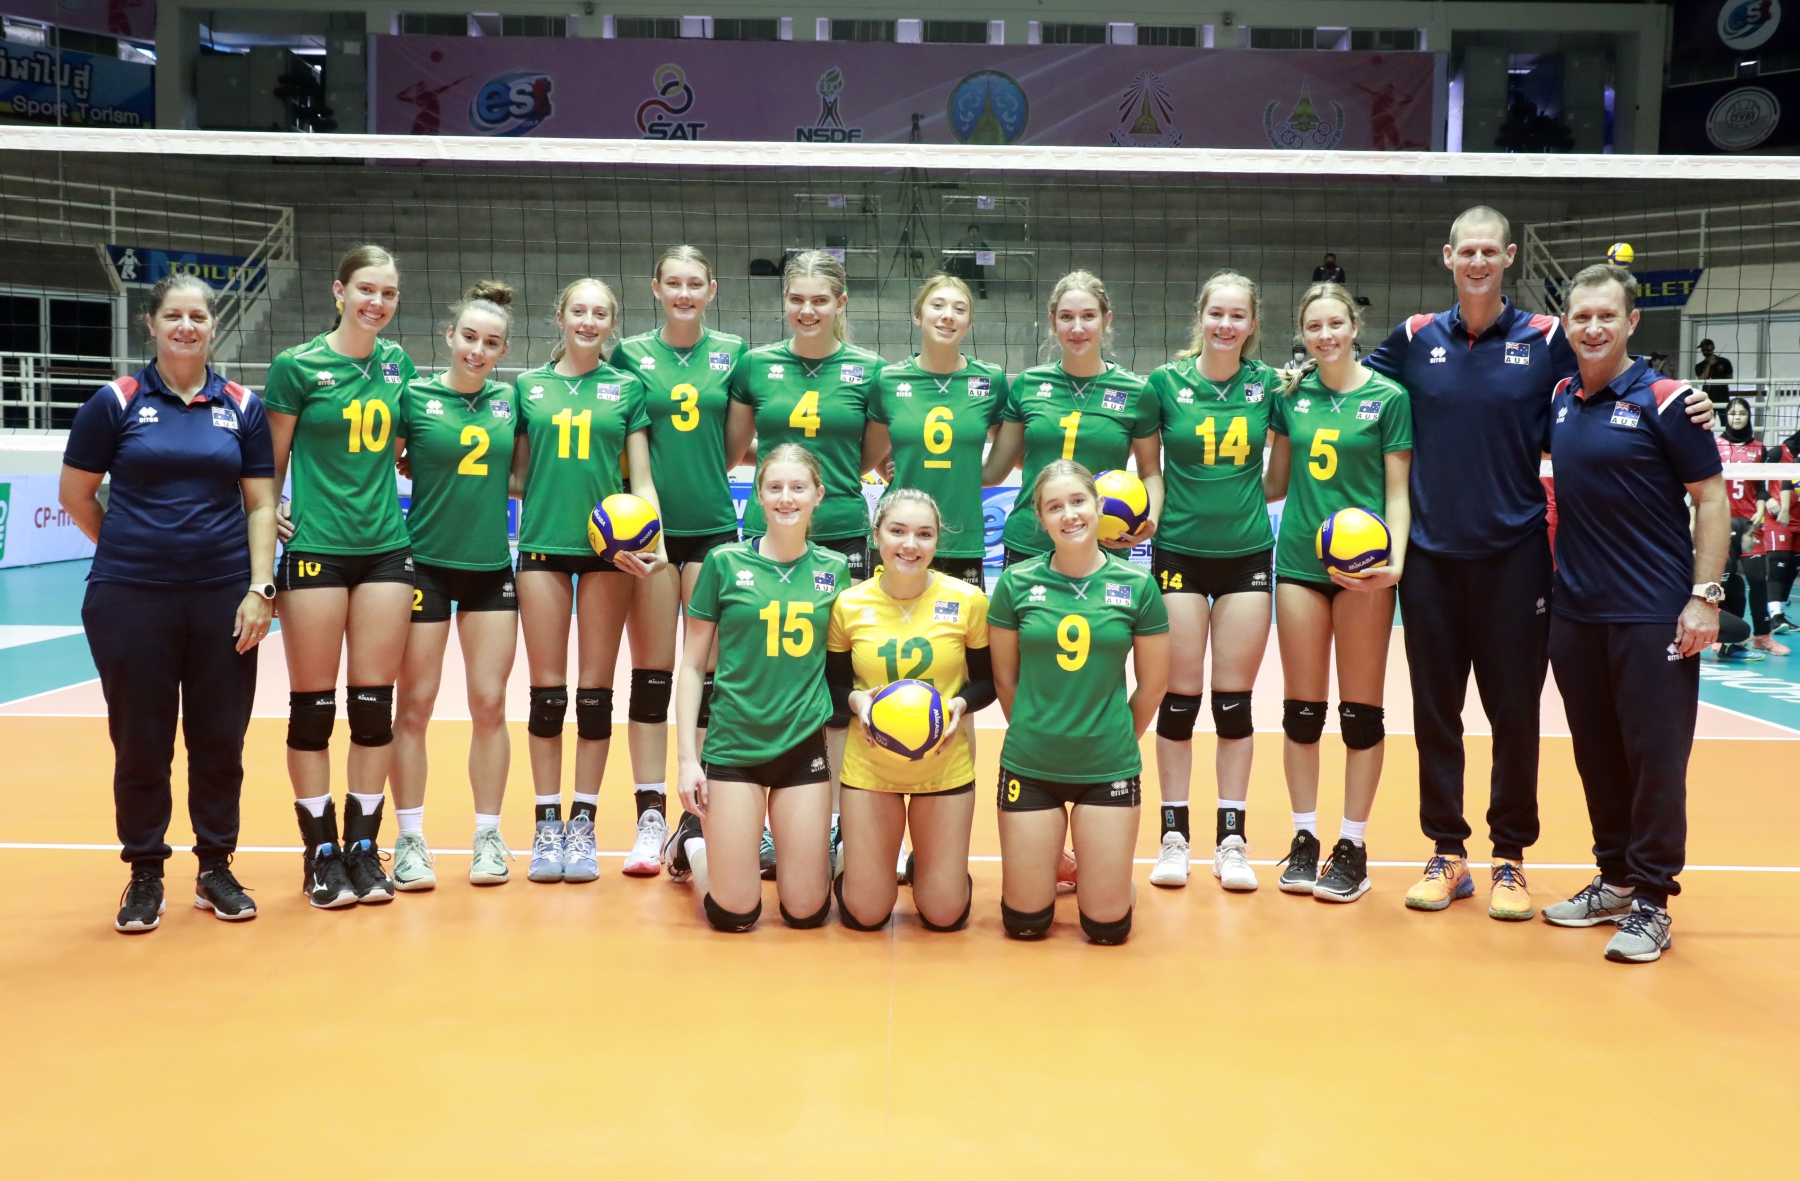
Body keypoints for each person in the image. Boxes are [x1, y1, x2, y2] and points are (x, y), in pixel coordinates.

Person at [1366, 205, 1713, 919]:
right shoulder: (1415, 336)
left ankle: (1510, 858)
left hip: (1517, 558)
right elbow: (1352, 389)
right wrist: (1295, 383)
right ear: (1448, 257)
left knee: (1515, 715)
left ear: (1510, 257)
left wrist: (1691, 398)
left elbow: (1610, 372)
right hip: (1429, 557)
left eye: (1490, 251)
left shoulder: (1548, 338)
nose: (1478, 262)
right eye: (1467, 251)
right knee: (1435, 713)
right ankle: (1447, 851)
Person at [60, 273, 275, 932]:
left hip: (222, 598)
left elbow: (261, 503)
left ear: (213, 326)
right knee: (141, 744)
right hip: (130, 600)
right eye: (174, 315)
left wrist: (260, 587)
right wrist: (129, 552)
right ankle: (146, 872)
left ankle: (215, 867)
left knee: (220, 741)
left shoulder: (242, 405)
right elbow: (76, 495)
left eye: (198, 316)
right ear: (150, 324)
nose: (187, 326)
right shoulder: (115, 402)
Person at [1540, 263, 1728, 964]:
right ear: (1566, 323)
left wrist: (1705, 596)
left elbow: (1712, 498)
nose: (1593, 328)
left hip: (1652, 612)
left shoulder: (1668, 401)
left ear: (1631, 322)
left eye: (1606, 316)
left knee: (1655, 760)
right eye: (1581, 317)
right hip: (1576, 613)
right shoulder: (1560, 397)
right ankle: (1616, 879)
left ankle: (1652, 899)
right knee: (1597, 755)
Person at [266, 244, 416, 909]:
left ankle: (362, 845)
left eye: (388, 293)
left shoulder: (398, 363)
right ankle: (320, 851)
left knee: (374, 709)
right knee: (313, 709)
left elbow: (403, 444)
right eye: (366, 289)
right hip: (317, 549)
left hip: (385, 549)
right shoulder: (296, 366)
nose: (376, 303)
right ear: (339, 291)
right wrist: (266, 523)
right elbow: (267, 467)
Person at [728, 248, 884, 871]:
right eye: (797, 298)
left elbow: (869, 455)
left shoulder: (869, 370)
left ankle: (837, 823)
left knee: (839, 682)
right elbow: (737, 448)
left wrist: (821, 490)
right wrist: (785, 487)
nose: (808, 309)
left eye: (820, 300)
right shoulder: (755, 365)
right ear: (784, 302)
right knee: (763, 674)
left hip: (842, 535)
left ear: (841, 303)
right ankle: (757, 823)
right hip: (766, 536)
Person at [513, 278, 668, 885]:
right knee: (547, 695)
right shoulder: (528, 386)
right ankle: (545, 823)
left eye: (600, 313)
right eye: (578, 310)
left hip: (611, 553)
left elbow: (642, 479)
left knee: (595, 693)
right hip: (542, 546)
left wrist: (654, 542)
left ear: (611, 323)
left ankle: (584, 823)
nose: (588, 321)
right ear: (560, 316)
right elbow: (515, 474)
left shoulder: (626, 387)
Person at [1267, 283, 1412, 905]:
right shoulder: (1291, 398)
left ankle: (1352, 845)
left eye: (1335, 324)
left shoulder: (1389, 398)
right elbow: (1273, 483)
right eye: (1313, 327)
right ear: (1302, 335)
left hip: (1366, 570)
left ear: (1354, 327)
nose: (1324, 336)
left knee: (1361, 713)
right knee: (1302, 712)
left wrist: (1394, 564)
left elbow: (1399, 491)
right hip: (1301, 563)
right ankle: (1304, 837)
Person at [665, 444, 848, 932]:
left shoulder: (835, 570)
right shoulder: (724, 563)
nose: (786, 498)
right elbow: (692, 666)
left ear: (817, 495)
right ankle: (691, 843)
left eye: (798, 487)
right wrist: (686, 761)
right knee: (735, 913)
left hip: (801, 747)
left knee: (806, 912)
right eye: (775, 487)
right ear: (759, 497)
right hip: (734, 748)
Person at [1142, 270, 1285, 891]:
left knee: (1233, 703)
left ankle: (1232, 841)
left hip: (1246, 554)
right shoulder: (1163, 384)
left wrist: (1238, 503)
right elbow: (1149, 471)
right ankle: (1173, 838)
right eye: (1216, 313)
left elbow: (1278, 478)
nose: (1225, 325)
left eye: (1237, 316)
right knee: (1178, 700)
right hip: (1178, 550)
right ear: (1200, 316)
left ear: (1253, 324)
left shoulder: (1270, 387)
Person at [614, 246, 754, 877]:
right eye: (673, 282)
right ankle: (649, 818)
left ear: (712, 289)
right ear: (656, 287)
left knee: (711, 675)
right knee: (652, 672)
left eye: (695, 283)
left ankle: (700, 816)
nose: (684, 293)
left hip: (713, 530)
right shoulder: (629, 354)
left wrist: (699, 481)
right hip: (648, 534)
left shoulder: (734, 353)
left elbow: (732, 448)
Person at [989, 460, 1168, 943]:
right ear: (1040, 519)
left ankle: (1104, 877)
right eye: (1054, 507)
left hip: (1107, 767)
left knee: (1106, 928)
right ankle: (1062, 863)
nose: (1068, 514)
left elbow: (1153, 685)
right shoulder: (1015, 584)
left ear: (1098, 506)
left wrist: (1113, 740)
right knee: (1026, 925)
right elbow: (1005, 680)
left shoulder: (1137, 586)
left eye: (1077, 501)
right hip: (1030, 766)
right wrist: (1038, 732)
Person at [387, 282, 521, 890]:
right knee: (414, 704)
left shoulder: (511, 401)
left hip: (490, 567)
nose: (477, 350)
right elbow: (374, 463)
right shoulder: (413, 397)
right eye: (469, 337)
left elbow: (524, 475)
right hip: (425, 566)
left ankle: (488, 836)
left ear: (503, 350)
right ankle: (409, 839)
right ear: (449, 336)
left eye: (491, 343)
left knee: (489, 704)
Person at [827, 488, 993, 931]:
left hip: (942, 766)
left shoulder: (968, 600)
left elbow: (988, 682)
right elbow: (833, 683)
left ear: (938, 540)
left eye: (924, 534)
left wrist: (961, 702)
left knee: (944, 913)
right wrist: (855, 700)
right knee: (866, 913)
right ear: (875, 535)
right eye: (897, 531)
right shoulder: (849, 604)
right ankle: (850, 859)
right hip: (870, 768)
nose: (910, 545)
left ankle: (933, 864)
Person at [984, 270, 1161, 567]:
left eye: (1088, 316)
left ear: (1106, 320)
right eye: (1066, 317)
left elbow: (1151, 471)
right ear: (1053, 322)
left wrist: (1149, 518)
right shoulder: (1028, 384)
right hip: (1030, 542)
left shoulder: (1137, 392)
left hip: (1104, 544)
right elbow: (998, 469)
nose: (1077, 328)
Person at [872, 274, 1008, 589]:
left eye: (959, 309)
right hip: (898, 536)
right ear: (917, 316)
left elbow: (1005, 457)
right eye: (937, 306)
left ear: (968, 323)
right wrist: (891, 468)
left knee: (959, 622)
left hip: (961, 537)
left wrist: (968, 472)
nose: (948, 315)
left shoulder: (991, 381)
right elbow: (871, 453)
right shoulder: (888, 379)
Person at [1715, 397, 1790, 657]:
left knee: (1758, 580)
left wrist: (1760, 509)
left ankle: (1762, 636)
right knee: (1724, 582)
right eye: (1732, 413)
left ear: (1748, 417)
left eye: (1742, 413)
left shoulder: (1758, 448)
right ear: (1726, 416)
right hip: (1721, 524)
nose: (1737, 417)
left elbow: (1760, 487)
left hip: (1749, 525)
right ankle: (1724, 637)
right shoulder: (1715, 444)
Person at [945, 224, 990, 299]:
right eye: (972, 231)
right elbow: (954, 250)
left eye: (976, 231)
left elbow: (988, 253)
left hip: (976, 268)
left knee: (980, 271)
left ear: (978, 233)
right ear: (968, 232)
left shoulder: (981, 243)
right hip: (964, 266)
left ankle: (982, 292)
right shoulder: (963, 242)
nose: (974, 233)